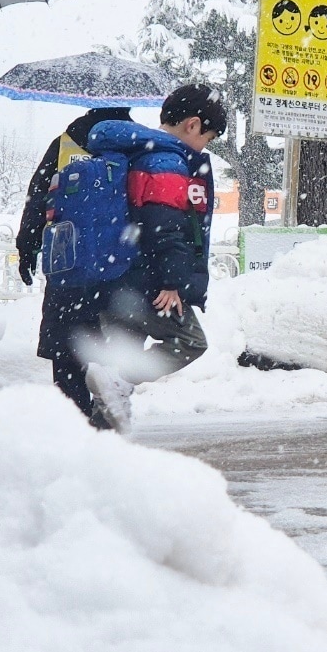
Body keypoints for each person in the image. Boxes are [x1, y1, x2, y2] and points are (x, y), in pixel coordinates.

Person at [79, 84, 227, 432]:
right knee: (189, 341)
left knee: (113, 394)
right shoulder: (168, 161)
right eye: (208, 136)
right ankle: (117, 379)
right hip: (149, 280)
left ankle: (98, 455)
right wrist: (172, 282)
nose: (205, 146)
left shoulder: (134, 152)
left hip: (116, 275)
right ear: (192, 125)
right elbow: (165, 224)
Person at [16, 106, 135, 427]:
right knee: (108, 351)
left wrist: (26, 247)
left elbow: (38, 198)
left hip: (67, 264)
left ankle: (75, 419)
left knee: (67, 349)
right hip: (117, 269)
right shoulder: (135, 144)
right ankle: (106, 414)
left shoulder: (65, 143)